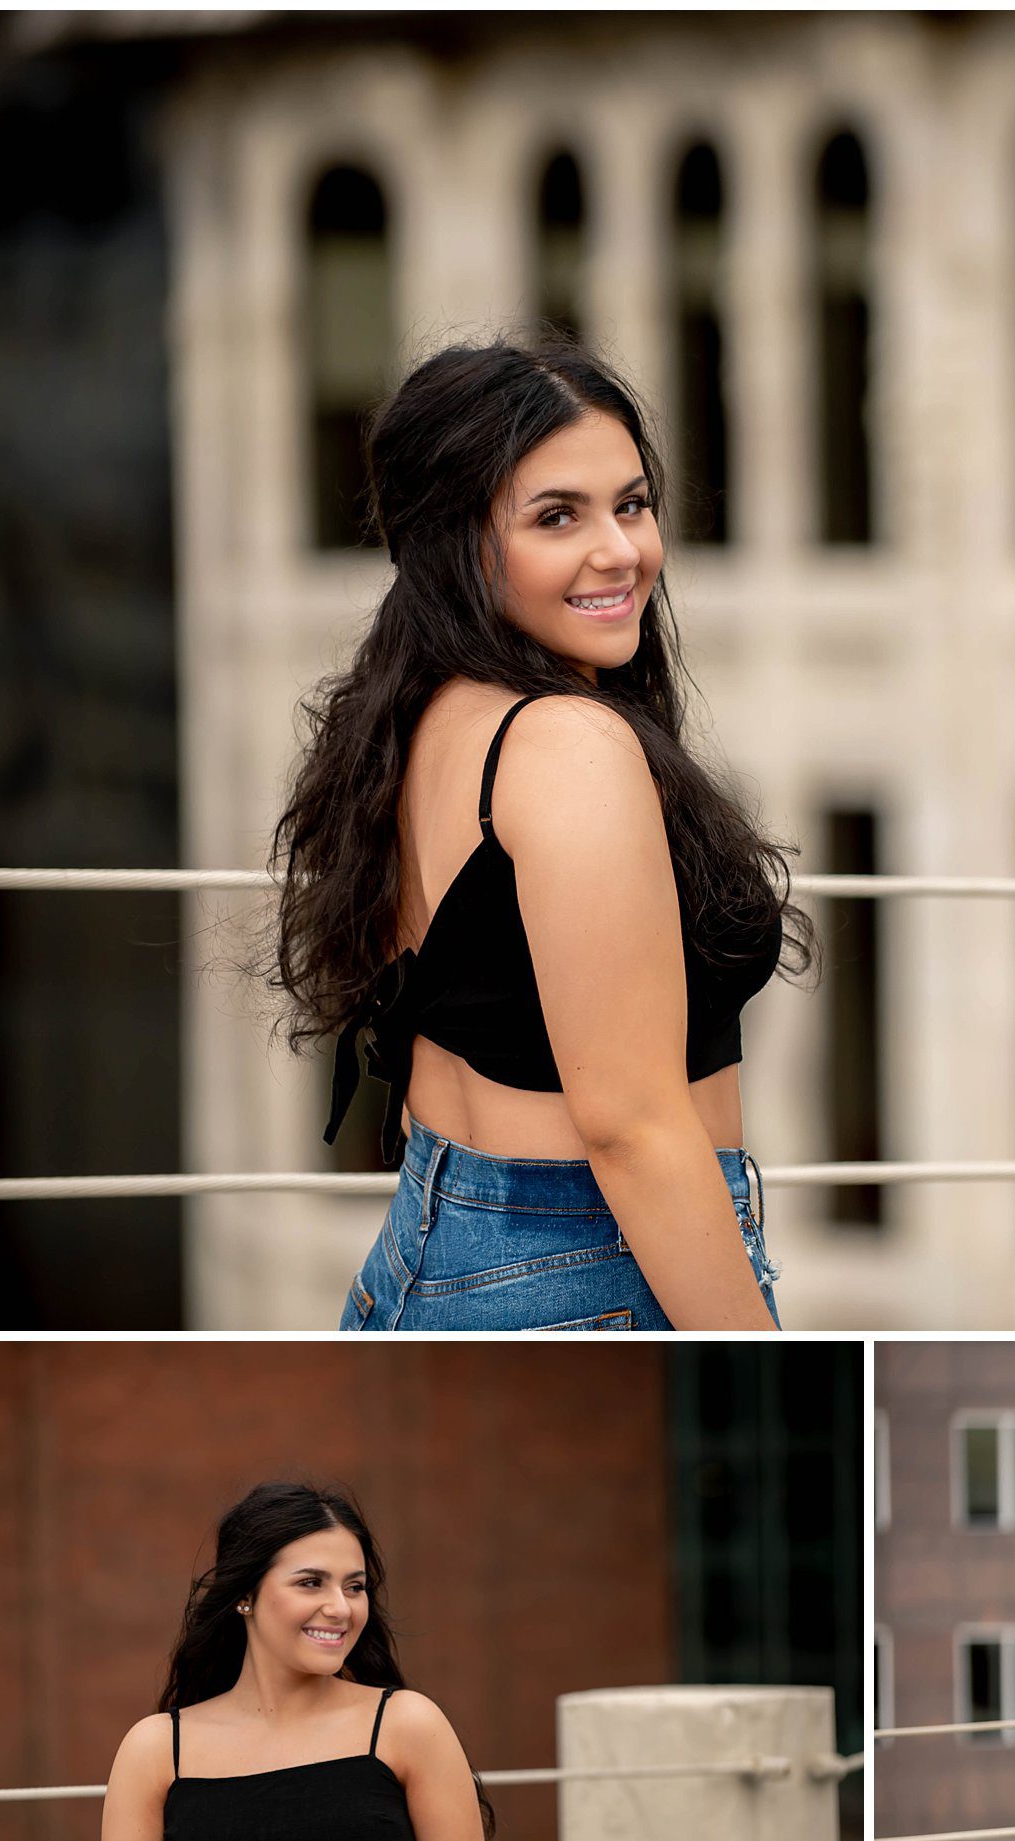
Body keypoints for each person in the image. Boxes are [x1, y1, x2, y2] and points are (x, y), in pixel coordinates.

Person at [273, 336, 808, 1335]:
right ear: (454, 542)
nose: (619, 551)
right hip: (582, 1264)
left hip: (431, 1248)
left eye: (632, 503)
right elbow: (634, 1129)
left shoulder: (422, 716)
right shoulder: (564, 743)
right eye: (556, 516)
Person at [100, 1481, 493, 1841]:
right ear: (245, 1594)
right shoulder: (155, 1750)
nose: (341, 1608)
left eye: (354, 1587)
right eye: (311, 1583)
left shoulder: (406, 1725)